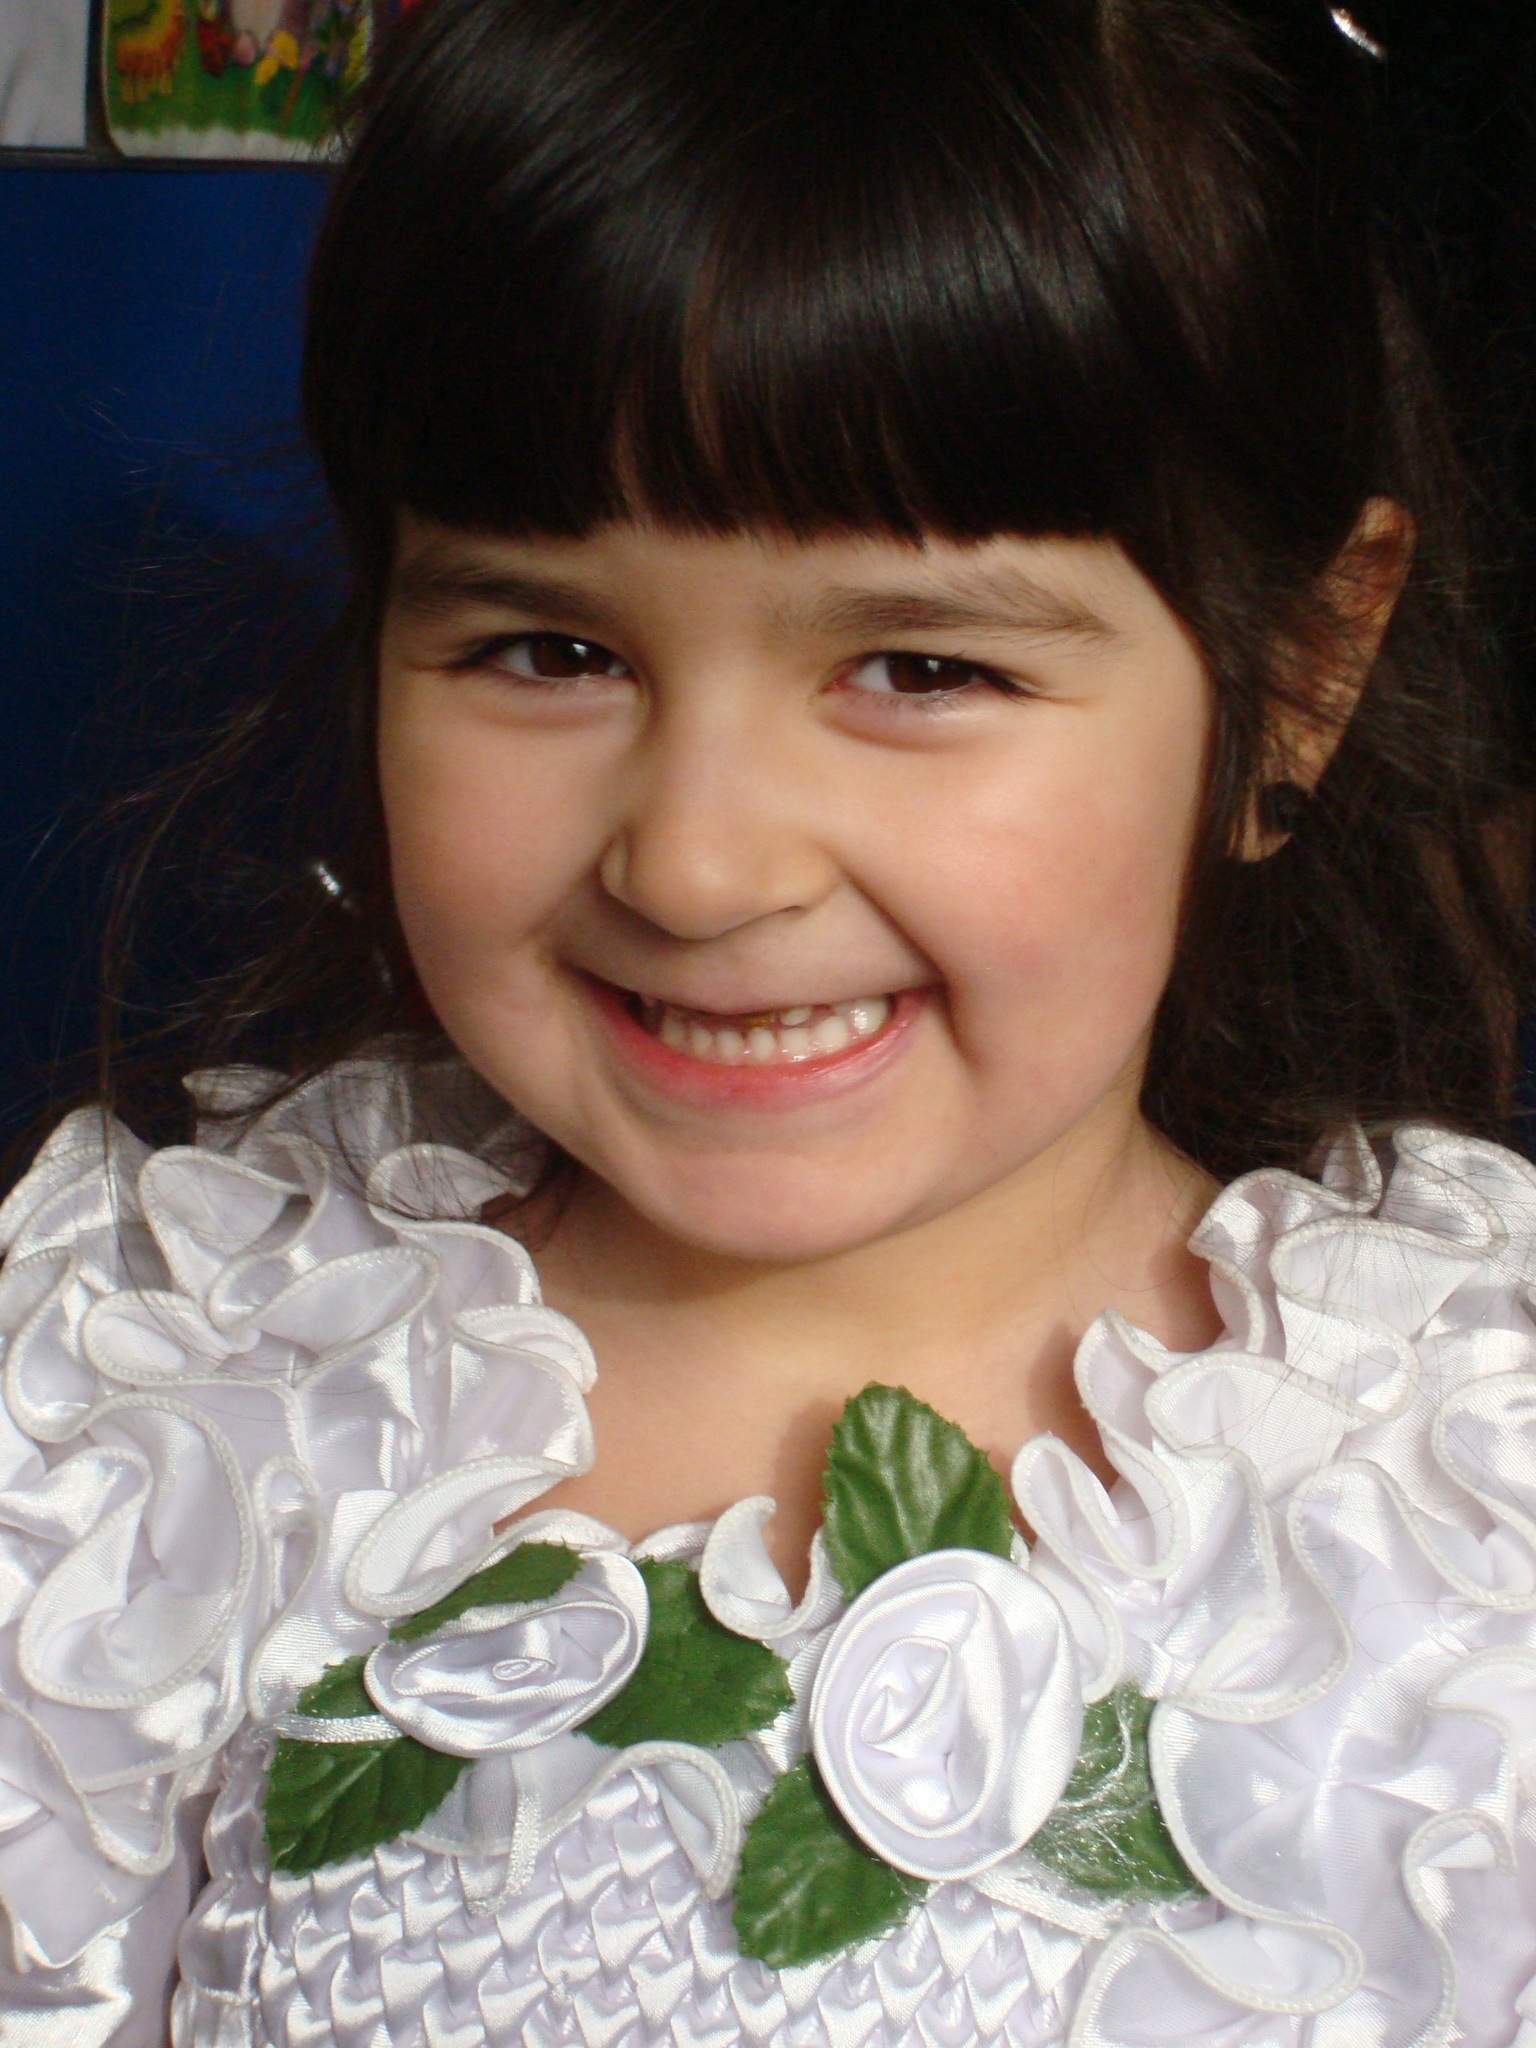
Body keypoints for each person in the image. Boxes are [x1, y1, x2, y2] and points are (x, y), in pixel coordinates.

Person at [1, 0, 1533, 2042]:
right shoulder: (145, 1412)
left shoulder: (1477, 1492)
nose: (700, 863)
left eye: (921, 668)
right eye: (549, 647)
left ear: (1306, 677)